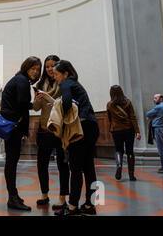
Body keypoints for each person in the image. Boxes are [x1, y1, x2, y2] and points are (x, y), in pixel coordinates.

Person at [52, 60, 99, 216]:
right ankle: (90, 205)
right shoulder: (76, 84)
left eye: (57, 74)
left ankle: (72, 207)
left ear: (65, 74)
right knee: (89, 168)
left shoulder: (66, 83)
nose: (55, 78)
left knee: (76, 168)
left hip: (82, 128)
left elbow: (65, 103)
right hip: (92, 126)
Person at [0, 56, 41, 211]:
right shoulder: (22, 81)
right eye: (33, 68)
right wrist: (37, 103)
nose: (35, 72)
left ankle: (13, 195)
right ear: (26, 68)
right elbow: (23, 104)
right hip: (13, 127)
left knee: (11, 161)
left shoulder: (19, 79)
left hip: (12, 126)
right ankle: (12, 197)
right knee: (11, 162)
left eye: (37, 69)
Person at [33, 55, 70, 210]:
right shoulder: (40, 83)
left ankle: (62, 198)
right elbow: (36, 108)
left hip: (61, 129)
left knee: (63, 164)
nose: (49, 69)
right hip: (44, 128)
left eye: (52, 66)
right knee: (42, 164)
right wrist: (37, 99)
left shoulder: (64, 83)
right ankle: (44, 194)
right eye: (47, 66)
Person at [106, 85, 141, 181]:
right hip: (129, 129)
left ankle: (119, 165)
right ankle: (131, 175)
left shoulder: (109, 104)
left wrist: (111, 128)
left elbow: (109, 118)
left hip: (116, 130)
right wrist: (137, 131)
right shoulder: (128, 102)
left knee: (118, 150)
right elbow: (133, 117)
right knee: (130, 151)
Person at [147, 94, 163, 174]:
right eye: (154, 98)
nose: (154, 99)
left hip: (159, 129)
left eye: (156, 98)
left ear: (161, 99)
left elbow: (148, 114)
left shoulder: (159, 107)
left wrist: (153, 117)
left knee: (161, 150)